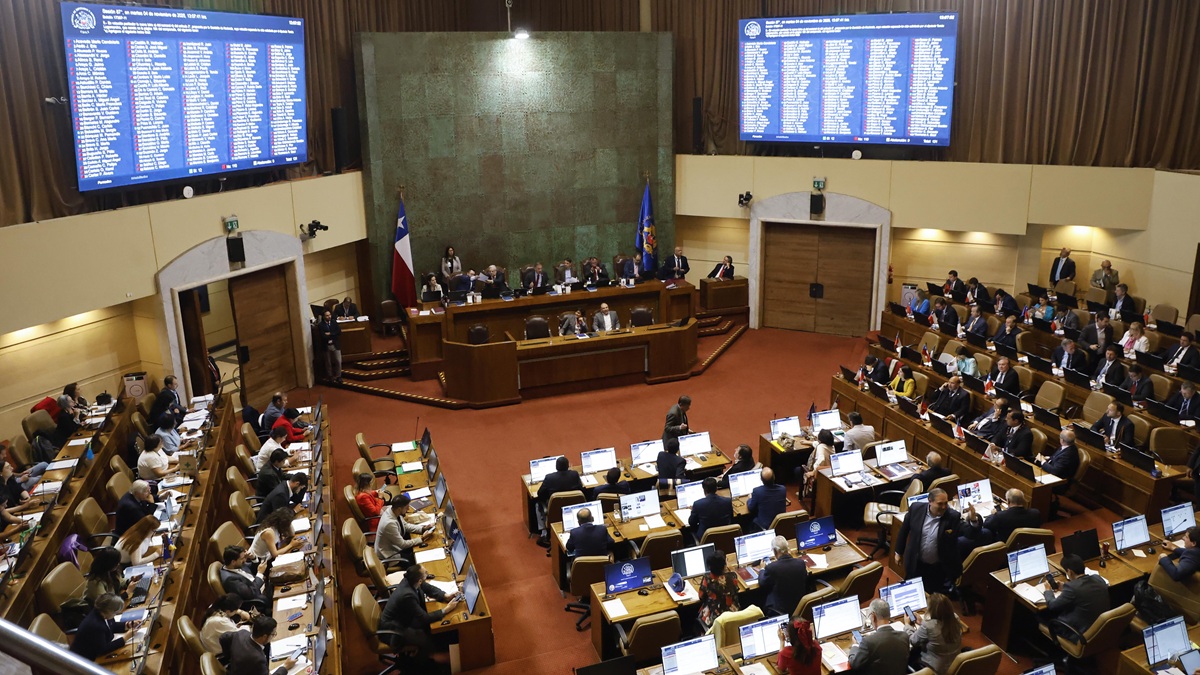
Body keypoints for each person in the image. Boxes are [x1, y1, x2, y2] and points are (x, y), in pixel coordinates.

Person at [379, 565, 460, 670]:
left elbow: (427, 587)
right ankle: (425, 663)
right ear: (419, 580)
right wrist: (446, 610)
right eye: (425, 572)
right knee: (424, 639)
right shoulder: (407, 595)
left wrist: (445, 596)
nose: (427, 572)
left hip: (402, 619)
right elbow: (424, 618)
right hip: (394, 630)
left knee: (429, 628)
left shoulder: (411, 580)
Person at [896, 487, 963, 596]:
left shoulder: (953, 517)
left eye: (946, 503)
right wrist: (898, 552)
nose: (944, 507)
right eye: (940, 504)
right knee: (911, 592)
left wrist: (974, 521)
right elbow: (904, 530)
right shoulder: (916, 509)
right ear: (930, 501)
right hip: (915, 562)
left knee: (932, 597)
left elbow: (965, 534)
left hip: (937, 567)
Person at [1040, 554, 1109, 642]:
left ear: (1069, 572)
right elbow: (1084, 590)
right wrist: (1064, 587)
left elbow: (1052, 605)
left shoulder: (1072, 588)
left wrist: (1048, 591)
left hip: (1077, 632)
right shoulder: (1098, 579)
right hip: (1098, 629)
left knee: (1041, 616)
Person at [960, 488, 1041, 549]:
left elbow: (986, 525)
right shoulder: (1036, 513)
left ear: (1008, 501)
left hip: (1004, 548)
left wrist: (994, 514)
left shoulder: (1000, 516)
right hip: (1027, 546)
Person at [846, 599, 909, 675]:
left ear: (873, 616)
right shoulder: (904, 636)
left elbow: (855, 664)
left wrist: (855, 645)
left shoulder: (869, 642)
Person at [71, 593, 139, 661]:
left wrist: (127, 625)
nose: (115, 615)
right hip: (86, 660)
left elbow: (111, 626)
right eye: (115, 613)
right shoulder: (95, 625)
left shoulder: (101, 613)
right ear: (108, 611)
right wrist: (125, 638)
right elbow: (102, 649)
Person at [907, 592, 963, 675]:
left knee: (910, 654)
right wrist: (921, 622)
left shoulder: (929, 625)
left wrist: (907, 625)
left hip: (934, 669)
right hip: (954, 665)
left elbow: (913, 641)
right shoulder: (955, 618)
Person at [221, 615, 296, 675]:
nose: (274, 636)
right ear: (264, 636)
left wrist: (229, 657)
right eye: (273, 634)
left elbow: (223, 637)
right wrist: (285, 667)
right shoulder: (257, 659)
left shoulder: (242, 633)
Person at [375, 494, 434, 564]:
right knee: (417, 558)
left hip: (395, 545)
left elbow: (405, 526)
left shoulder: (393, 510)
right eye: (407, 507)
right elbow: (402, 545)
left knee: (418, 546)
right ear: (399, 509)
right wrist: (422, 538)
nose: (408, 509)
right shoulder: (389, 524)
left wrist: (422, 529)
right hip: (389, 554)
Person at [759, 536, 809, 617]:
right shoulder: (800, 563)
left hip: (779, 609)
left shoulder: (771, 567)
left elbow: (762, 583)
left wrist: (761, 569)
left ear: (775, 551)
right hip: (799, 606)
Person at [696, 550, 740, 630]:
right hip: (733, 614)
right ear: (724, 566)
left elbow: (701, 596)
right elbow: (736, 590)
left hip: (714, 618)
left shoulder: (707, 578)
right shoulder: (732, 577)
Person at [220, 546, 271, 610]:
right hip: (259, 596)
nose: (245, 560)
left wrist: (253, 558)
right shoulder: (230, 580)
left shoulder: (234, 565)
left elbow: (251, 569)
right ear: (233, 562)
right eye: (242, 558)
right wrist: (260, 573)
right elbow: (251, 593)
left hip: (263, 585)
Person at [317, 309, 342, 383]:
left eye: (329, 315)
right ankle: (330, 376)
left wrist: (330, 334)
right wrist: (333, 334)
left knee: (338, 361)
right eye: (327, 315)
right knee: (328, 362)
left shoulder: (334, 322)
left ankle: (338, 376)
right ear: (324, 317)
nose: (329, 317)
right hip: (326, 345)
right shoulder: (321, 325)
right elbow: (323, 336)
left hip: (335, 344)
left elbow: (339, 332)